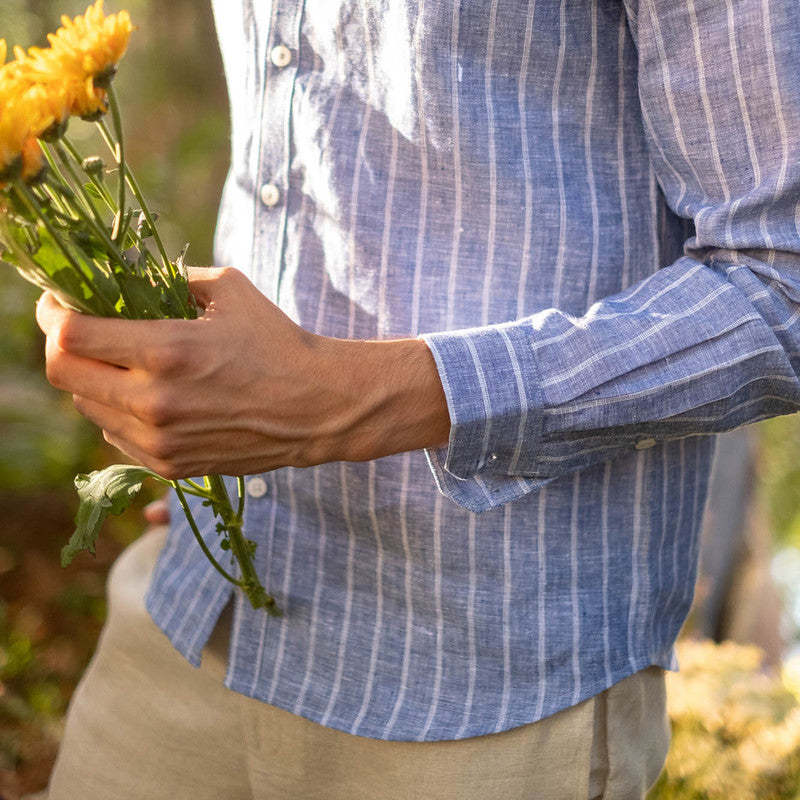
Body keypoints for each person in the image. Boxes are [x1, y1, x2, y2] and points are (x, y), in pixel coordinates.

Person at [31, 0, 800, 797]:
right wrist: (214, 414)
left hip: (488, 684)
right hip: (200, 606)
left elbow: (785, 280)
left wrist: (335, 401)